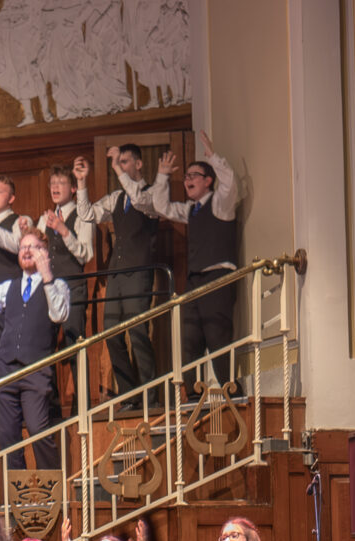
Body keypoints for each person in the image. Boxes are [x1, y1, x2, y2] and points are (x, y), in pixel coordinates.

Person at [76, 143, 173, 406]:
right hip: (117, 274)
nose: (121, 167)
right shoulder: (116, 197)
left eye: (125, 162)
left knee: (139, 333)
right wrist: (82, 183)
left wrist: (116, 168)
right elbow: (87, 214)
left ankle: (151, 397)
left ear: (138, 164)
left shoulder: (153, 193)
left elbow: (141, 201)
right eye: (120, 163)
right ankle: (130, 394)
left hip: (139, 273)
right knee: (111, 333)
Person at [156, 133, 244, 399]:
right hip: (194, 281)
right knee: (189, 338)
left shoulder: (219, 204)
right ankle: (193, 396)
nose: (188, 180)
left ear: (208, 180)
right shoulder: (190, 210)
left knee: (217, 336)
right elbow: (161, 206)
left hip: (217, 277)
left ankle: (231, 390)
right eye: (186, 176)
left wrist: (212, 157)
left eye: (194, 175)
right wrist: (162, 176)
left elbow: (230, 184)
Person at [0, 226, 69, 471]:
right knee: (7, 437)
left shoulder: (58, 285)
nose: (27, 250)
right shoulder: (10, 287)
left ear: (45, 253)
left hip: (35, 369)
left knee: (38, 429)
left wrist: (47, 275)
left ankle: (51, 492)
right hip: (6, 368)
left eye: (34, 247)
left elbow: (59, 315)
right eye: (23, 246)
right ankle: (18, 500)